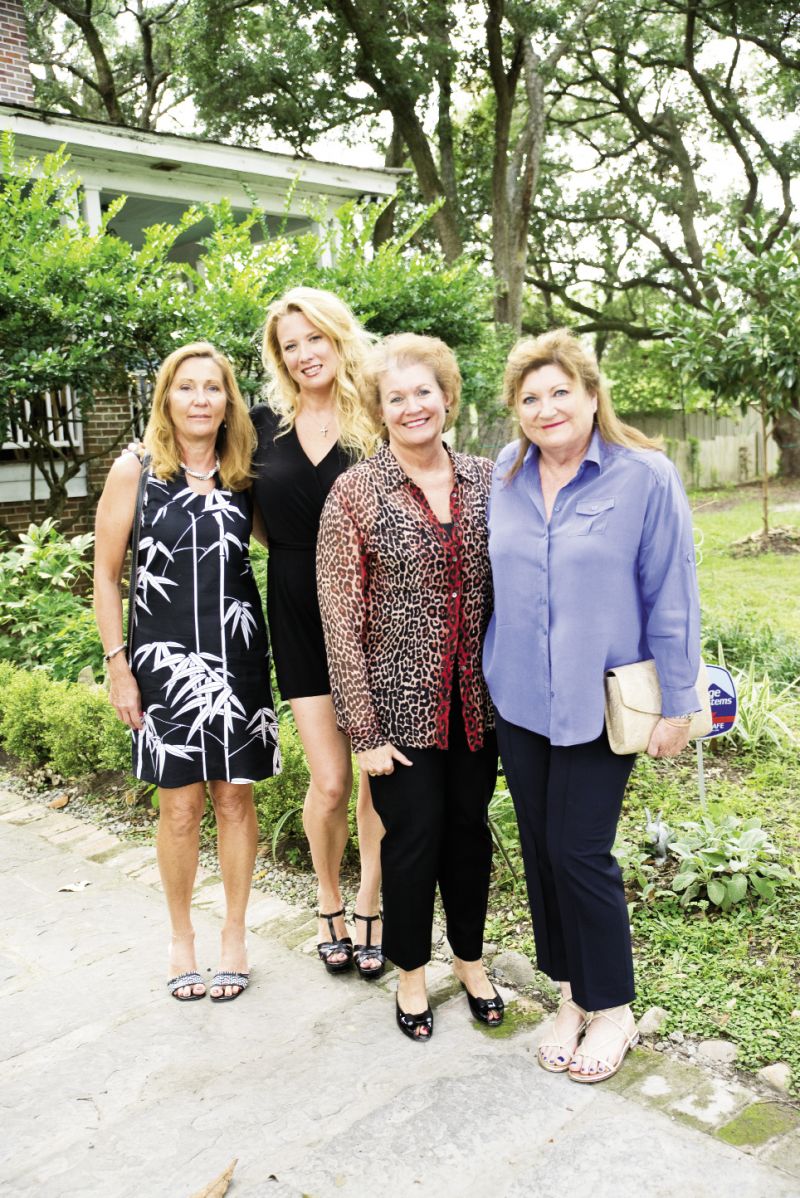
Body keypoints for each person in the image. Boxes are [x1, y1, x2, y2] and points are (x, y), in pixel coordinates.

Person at [483, 328, 702, 1081]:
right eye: (530, 398)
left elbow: (671, 593)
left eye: (559, 392)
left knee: (580, 851)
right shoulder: (507, 474)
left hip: (599, 701)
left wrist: (678, 704)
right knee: (542, 850)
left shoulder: (644, 476)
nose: (546, 409)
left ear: (591, 391)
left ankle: (613, 1008)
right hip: (518, 697)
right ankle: (571, 995)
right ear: (516, 409)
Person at [317, 333, 503, 1040]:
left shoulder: (489, 478)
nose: (413, 405)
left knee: (468, 834)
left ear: (448, 398)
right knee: (412, 839)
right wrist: (363, 732)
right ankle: (410, 974)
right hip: (398, 712)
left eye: (424, 391)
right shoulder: (356, 492)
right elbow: (341, 619)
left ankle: (471, 960)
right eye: (396, 397)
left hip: (479, 707)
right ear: (379, 410)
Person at [94, 342, 280, 1003]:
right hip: (163, 666)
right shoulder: (136, 470)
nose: (201, 399)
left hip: (237, 665)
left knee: (234, 798)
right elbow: (107, 577)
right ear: (166, 398)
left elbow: (281, 540)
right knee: (179, 808)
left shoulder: (241, 476)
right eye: (187, 387)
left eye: (213, 388)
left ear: (229, 401)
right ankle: (181, 939)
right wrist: (119, 666)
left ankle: (234, 933)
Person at [256, 287, 386, 979]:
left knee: (375, 777)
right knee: (331, 780)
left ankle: (370, 900)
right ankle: (328, 900)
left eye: (315, 339)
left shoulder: (377, 415)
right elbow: (201, 472)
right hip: (298, 609)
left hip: (375, 608)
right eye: (290, 344)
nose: (305, 354)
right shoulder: (259, 427)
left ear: (339, 338)